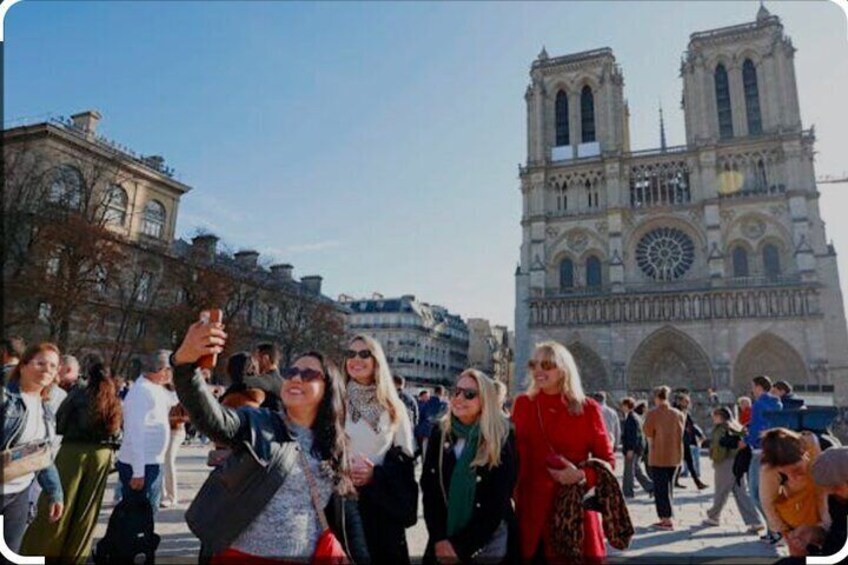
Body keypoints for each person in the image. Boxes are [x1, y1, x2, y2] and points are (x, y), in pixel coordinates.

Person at [170, 319, 369, 563]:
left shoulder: (335, 445)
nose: (296, 378)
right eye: (291, 372)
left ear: (329, 388)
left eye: (308, 374)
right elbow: (213, 419)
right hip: (240, 556)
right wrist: (185, 364)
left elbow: (348, 515)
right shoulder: (259, 422)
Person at [512, 341, 613, 562]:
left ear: (564, 369)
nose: (538, 370)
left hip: (573, 514)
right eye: (534, 364)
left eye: (547, 365)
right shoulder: (522, 404)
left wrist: (581, 476)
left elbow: (607, 461)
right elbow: (510, 454)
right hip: (530, 514)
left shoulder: (588, 409)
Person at [21, 358, 122, 563]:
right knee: (87, 511)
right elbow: (118, 432)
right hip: (101, 456)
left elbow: (60, 421)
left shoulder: (79, 393)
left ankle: (41, 553)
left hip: (73, 452)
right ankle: (75, 556)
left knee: (58, 504)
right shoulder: (114, 397)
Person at [421, 369, 516, 564]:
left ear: (485, 400)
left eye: (469, 394)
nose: (459, 398)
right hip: (442, 541)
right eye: (456, 391)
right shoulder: (441, 432)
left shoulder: (501, 438)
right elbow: (430, 491)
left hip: (488, 545)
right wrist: (439, 539)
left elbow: (497, 501)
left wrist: (461, 546)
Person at [344, 335, 417, 564]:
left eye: (364, 354)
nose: (356, 359)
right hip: (338, 501)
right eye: (351, 354)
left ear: (376, 360)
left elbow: (405, 461)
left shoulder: (394, 407)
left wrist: (375, 474)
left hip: (379, 506)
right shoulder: (334, 400)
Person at [1, 343, 64, 554]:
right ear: (23, 366)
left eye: (53, 366)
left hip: (18, 494)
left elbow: (42, 456)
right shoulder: (5, 398)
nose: (47, 369)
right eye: (40, 363)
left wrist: (55, 492)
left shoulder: (45, 408)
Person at [115, 349, 177, 513]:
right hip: (142, 465)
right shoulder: (141, 392)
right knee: (138, 516)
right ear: (163, 370)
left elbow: (173, 400)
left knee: (147, 514)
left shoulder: (155, 388)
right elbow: (135, 433)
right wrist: (138, 471)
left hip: (152, 461)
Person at [759, 428, 828, 555]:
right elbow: (767, 502)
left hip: (826, 510)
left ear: (804, 454)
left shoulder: (814, 445)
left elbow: (823, 488)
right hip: (797, 517)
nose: (795, 476)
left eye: (797, 469)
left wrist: (827, 523)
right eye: (787, 472)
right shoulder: (769, 469)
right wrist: (786, 533)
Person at [702, 407, 764, 532]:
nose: (713, 418)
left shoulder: (723, 427)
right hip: (737, 461)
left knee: (721, 490)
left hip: (726, 462)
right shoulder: (735, 426)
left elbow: (723, 443)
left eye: (714, 416)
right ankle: (755, 521)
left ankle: (714, 516)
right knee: (740, 493)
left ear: (720, 416)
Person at [740, 374, 783, 544]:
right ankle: (773, 530)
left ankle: (776, 529)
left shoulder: (758, 404)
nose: (752, 390)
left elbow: (759, 428)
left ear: (759, 387)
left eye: (753, 386)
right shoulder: (777, 402)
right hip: (774, 451)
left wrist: (746, 441)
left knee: (756, 492)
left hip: (759, 451)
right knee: (770, 492)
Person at [643, 385, 686, 531]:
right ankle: (668, 515)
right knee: (669, 487)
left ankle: (666, 520)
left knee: (660, 489)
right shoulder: (678, 413)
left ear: (656, 398)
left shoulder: (652, 414)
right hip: (675, 456)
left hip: (658, 456)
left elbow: (648, 434)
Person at [798, 446, 848, 557]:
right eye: (827, 488)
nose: (831, 492)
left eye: (836, 487)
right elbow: (836, 533)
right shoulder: (836, 500)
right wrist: (814, 534)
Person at [161, 382, 190, 508]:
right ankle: (161, 494)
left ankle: (171, 496)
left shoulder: (177, 393)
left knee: (168, 460)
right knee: (160, 462)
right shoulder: (155, 390)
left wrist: (168, 419)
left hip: (176, 431)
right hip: (160, 430)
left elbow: (187, 417)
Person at [620, 397, 653, 498]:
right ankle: (651, 487)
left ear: (626, 405)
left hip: (633, 449)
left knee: (629, 471)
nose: (621, 407)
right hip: (637, 449)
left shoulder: (631, 418)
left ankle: (628, 492)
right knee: (636, 470)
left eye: (623, 405)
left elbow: (634, 435)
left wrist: (630, 449)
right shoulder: (635, 416)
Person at [674, 393, 708, 490]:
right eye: (686, 401)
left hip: (684, 441)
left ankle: (696, 482)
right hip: (678, 441)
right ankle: (696, 483)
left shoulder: (685, 412)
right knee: (682, 462)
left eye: (688, 401)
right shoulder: (676, 412)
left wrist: (700, 434)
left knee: (686, 462)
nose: (688, 403)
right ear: (680, 401)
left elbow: (691, 425)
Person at [245, 341, 284, 412]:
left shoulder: (267, 381)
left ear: (265, 359)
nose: (253, 364)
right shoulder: (282, 382)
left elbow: (244, 382)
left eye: (256, 359)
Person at [417, 386, 449, 456]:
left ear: (434, 392)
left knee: (425, 453)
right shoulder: (446, 404)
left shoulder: (427, 402)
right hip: (439, 432)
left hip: (425, 430)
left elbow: (421, 416)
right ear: (442, 393)